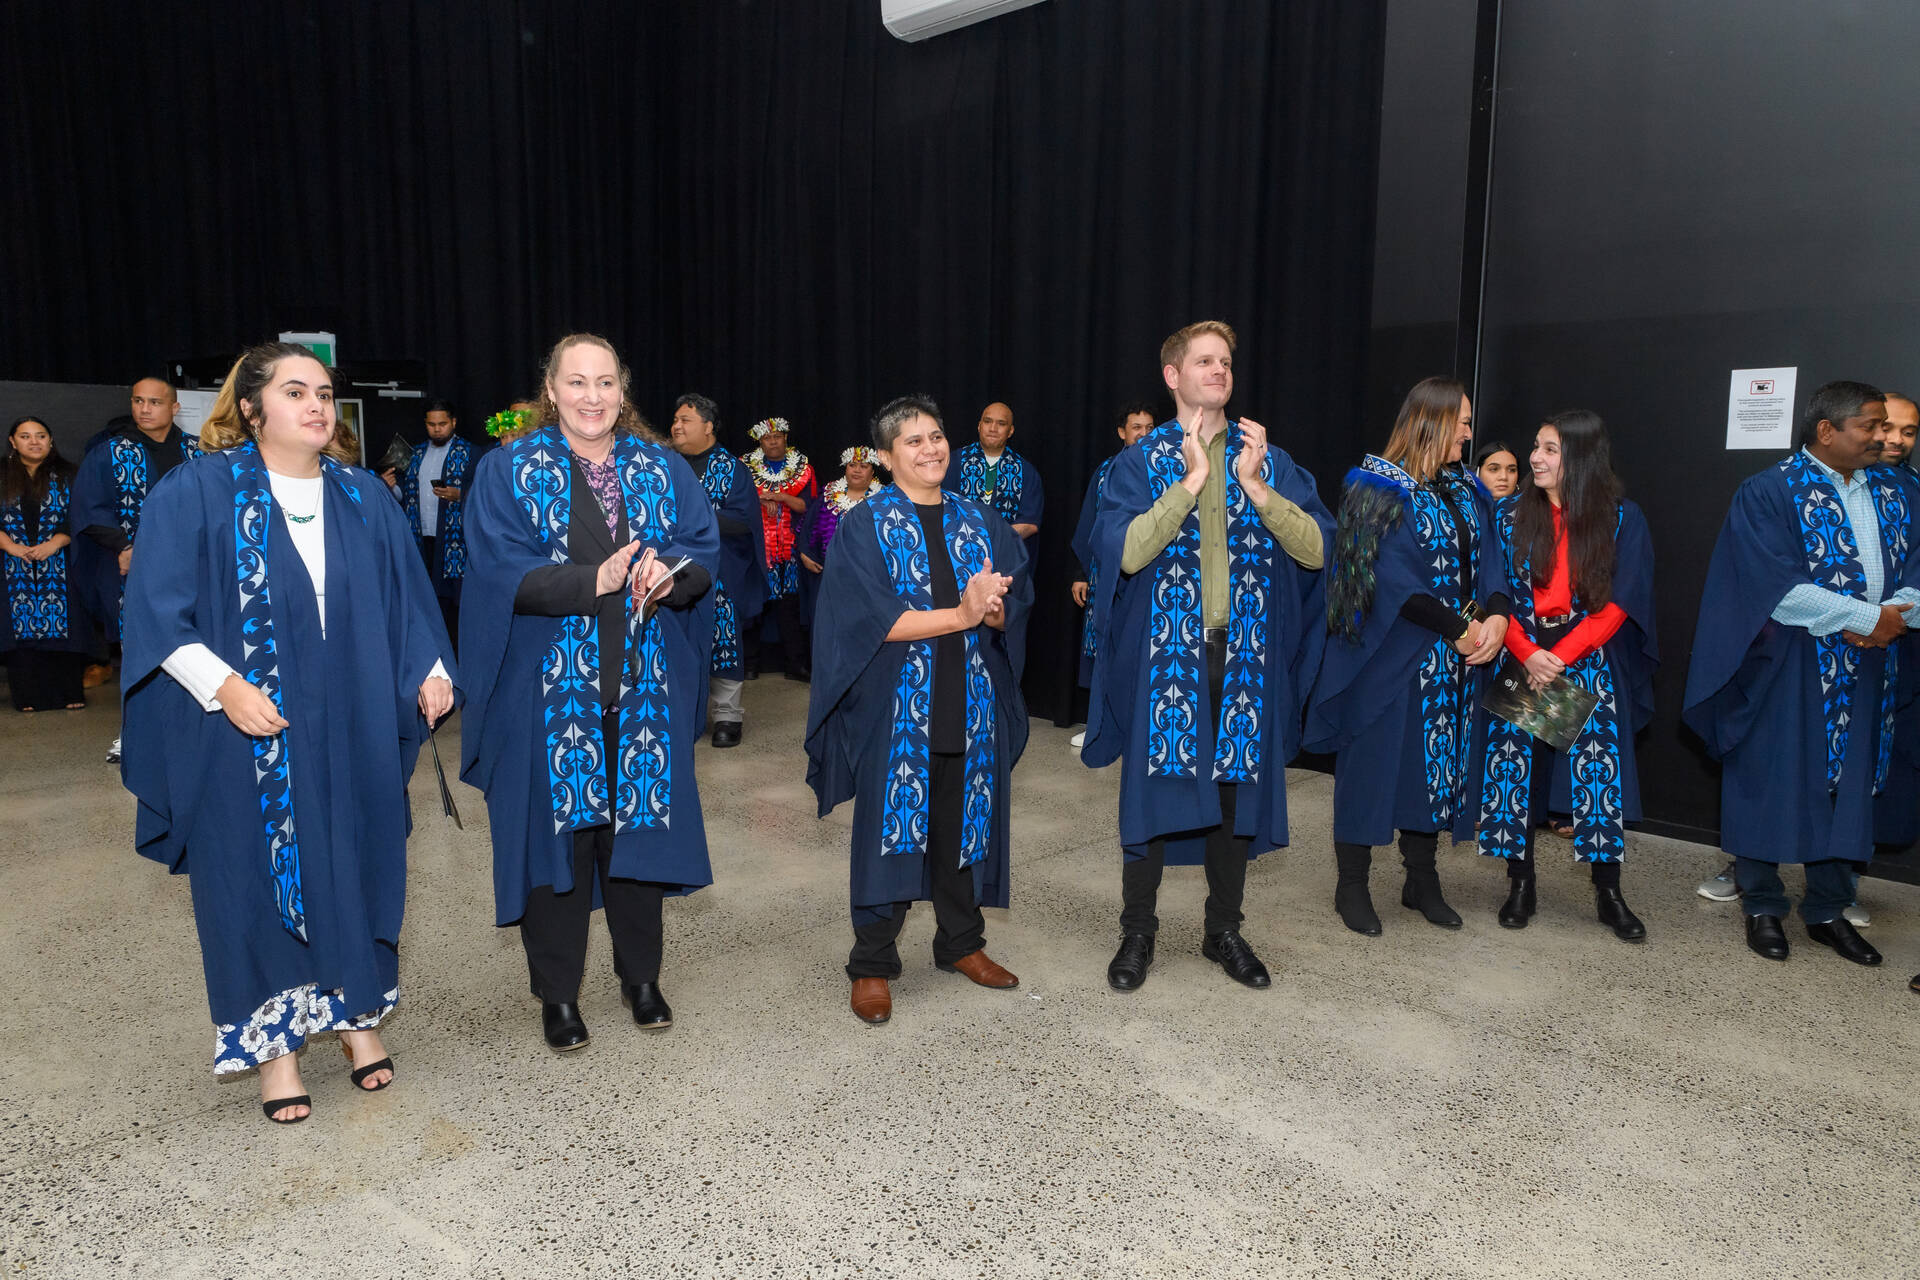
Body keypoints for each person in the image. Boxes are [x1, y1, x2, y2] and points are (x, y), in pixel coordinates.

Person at [119, 342, 455, 1123]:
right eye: (295, 391)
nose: (316, 405)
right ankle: (275, 1050)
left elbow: (409, 599)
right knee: (253, 878)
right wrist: (224, 685)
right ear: (251, 407)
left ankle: (356, 1018)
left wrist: (430, 670)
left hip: (355, 724)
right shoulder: (195, 493)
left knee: (358, 859)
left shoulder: (365, 496)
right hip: (247, 731)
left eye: (325, 392)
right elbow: (158, 613)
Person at [461, 334, 719, 1051]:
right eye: (577, 382)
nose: (592, 397)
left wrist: (670, 575)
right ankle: (558, 994)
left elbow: (701, 547)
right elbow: (496, 568)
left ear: (622, 391)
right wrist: (592, 581)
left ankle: (641, 978)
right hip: (545, 697)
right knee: (560, 850)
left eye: (605, 383)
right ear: (551, 389)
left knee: (637, 839)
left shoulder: (661, 466)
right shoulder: (507, 469)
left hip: (644, 691)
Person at [1083, 321, 1332, 992]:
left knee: (1232, 800)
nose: (1219, 370)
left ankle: (1223, 928)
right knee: (1152, 799)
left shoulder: (1266, 458)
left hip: (1244, 658)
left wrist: (1255, 487)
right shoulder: (1139, 463)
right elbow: (1127, 552)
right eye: (1204, 361)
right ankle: (1139, 931)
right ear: (1173, 375)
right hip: (1166, 664)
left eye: (1226, 361)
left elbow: (1315, 551)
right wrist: (1192, 482)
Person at [805, 395, 1031, 1025]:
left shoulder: (979, 520)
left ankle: (961, 943)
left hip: (970, 701)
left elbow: (1013, 605)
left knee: (963, 826)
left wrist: (994, 609)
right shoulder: (864, 525)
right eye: (913, 441)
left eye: (937, 436)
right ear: (884, 456)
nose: (932, 449)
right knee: (890, 832)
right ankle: (873, 963)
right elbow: (873, 620)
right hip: (896, 706)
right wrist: (961, 614)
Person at [1683, 381, 1918, 967]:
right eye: (1870, 425)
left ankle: (1830, 910)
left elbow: (1917, 564)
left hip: (1867, 666)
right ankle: (1763, 904)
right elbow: (1776, 587)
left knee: (1852, 781)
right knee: (1770, 776)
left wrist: (1894, 617)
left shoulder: (1898, 490)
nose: (1882, 437)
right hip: (1788, 663)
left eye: (1888, 427)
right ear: (1826, 431)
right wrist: (1869, 617)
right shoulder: (1769, 491)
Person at [1305, 379, 1511, 936]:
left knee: (1434, 773)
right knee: (1371, 766)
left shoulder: (1466, 488)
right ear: (1431, 421)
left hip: (1454, 661)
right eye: (1462, 423)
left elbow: (1491, 554)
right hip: (1391, 656)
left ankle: (1421, 878)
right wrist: (1459, 629)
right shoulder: (1375, 487)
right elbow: (1390, 576)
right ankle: (1351, 884)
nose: (1469, 434)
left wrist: (1496, 614)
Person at [1469, 411, 1658, 939]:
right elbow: (1494, 593)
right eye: (1536, 446)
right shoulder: (1507, 515)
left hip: (1585, 654)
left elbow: (1622, 599)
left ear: (1579, 457)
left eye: (1550, 449)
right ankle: (1520, 884)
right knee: (1517, 777)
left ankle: (1609, 892)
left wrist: (1562, 654)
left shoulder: (1621, 518)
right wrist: (1527, 652)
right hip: (1524, 651)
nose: (1535, 458)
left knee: (1598, 781)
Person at [72, 375, 202, 763]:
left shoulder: (200, 453)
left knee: (197, 647)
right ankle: (133, 736)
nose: (145, 409)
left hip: (194, 570)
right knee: (140, 649)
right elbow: (88, 507)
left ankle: (195, 733)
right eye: (138, 401)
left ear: (175, 407)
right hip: (136, 571)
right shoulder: (110, 452)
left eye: (155, 402)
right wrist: (123, 545)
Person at [670, 393, 766, 748]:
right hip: (669, 571)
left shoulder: (732, 469)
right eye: (676, 420)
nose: (676, 426)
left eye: (685, 420)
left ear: (708, 427)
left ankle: (727, 715)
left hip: (719, 572)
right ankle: (678, 713)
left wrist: (697, 517)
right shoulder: (664, 464)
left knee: (723, 639)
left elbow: (744, 521)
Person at [1, 417, 93, 711]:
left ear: (51, 441)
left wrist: (55, 543)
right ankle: (27, 697)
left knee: (63, 628)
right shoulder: (2, 475)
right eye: (25, 436)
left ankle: (69, 692)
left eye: (41, 436)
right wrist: (11, 546)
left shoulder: (69, 474)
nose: (34, 441)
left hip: (60, 562)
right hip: (10, 564)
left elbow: (82, 514)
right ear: (13, 442)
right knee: (20, 633)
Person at [1070, 403, 1156, 695]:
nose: (1144, 435)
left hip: (1150, 573)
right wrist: (1082, 573)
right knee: (1106, 643)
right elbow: (1089, 522)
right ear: (1122, 432)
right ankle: (1099, 728)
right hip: (1105, 573)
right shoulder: (1106, 472)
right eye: (1136, 428)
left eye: (1149, 428)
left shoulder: (1166, 469)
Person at [380, 399, 474, 651]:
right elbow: (404, 495)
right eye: (431, 424)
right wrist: (391, 488)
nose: (437, 429)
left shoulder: (470, 452)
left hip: (456, 542)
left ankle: (455, 653)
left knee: (454, 603)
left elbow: (485, 494)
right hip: (420, 538)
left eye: (442, 424)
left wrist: (461, 495)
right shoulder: (415, 453)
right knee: (424, 598)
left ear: (453, 422)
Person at [744, 417, 816, 680]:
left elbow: (806, 506)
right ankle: (749, 664)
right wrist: (761, 500)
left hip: (790, 549)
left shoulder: (803, 468)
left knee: (790, 607)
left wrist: (782, 497)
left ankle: (794, 664)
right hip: (757, 548)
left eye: (777, 437)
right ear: (760, 442)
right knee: (755, 605)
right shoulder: (745, 468)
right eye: (767, 438)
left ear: (786, 439)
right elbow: (739, 502)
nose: (772, 441)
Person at [951, 402, 1043, 541]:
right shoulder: (953, 462)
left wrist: (996, 540)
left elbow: (1030, 523)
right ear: (979, 426)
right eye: (988, 421)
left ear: (1010, 431)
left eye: (1001, 423)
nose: (993, 428)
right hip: (960, 552)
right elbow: (939, 509)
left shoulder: (1026, 472)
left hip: (1006, 555)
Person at [799, 445, 885, 578]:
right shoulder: (829, 495)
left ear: (872, 471)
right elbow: (807, 526)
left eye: (863, 466)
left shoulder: (883, 500)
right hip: (829, 574)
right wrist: (805, 554)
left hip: (870, 576)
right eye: (852, 465)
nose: (857, 470)